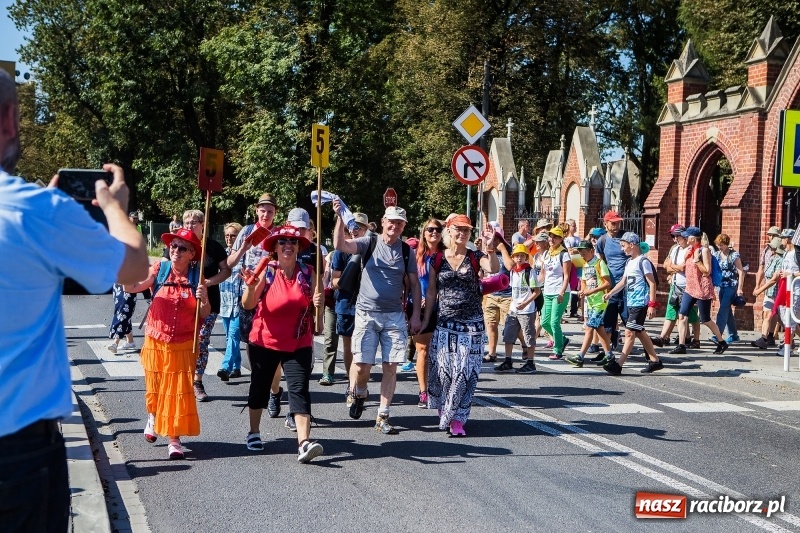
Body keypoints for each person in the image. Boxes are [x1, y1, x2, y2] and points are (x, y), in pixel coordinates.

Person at [0, 69, 149, 531]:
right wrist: (114, 206)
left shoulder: (37, 208)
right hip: (17, 448)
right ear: (8, 121)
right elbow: (134, 268)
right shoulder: (38, 211)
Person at [332, 201, 422, 435]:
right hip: (367, 313)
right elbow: (340, 244)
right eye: (391, 221)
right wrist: (341, 218)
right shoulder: (369, 242)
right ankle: (360, 392)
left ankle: (383, 415)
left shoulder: (406, 250)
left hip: (394, 316)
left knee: (391, 366)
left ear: (403, 226)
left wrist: (415, 315)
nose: (395, 226)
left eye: (399, 223)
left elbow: (414, 283)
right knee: (362, 366)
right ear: (383, 222)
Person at [240, 225, 325, 463]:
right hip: (265, 340)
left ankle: (304, 442)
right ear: (275, 248)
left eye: (293, 242)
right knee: (259, 387)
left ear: (299, 247)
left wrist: (317, 302)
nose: (288, 245)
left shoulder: (309, 273)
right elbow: (248, 305)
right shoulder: (266, 270)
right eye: (283, 241)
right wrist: (249, 287)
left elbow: (316, 312)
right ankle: (254, 432)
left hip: (299, 341)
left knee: (299, 390)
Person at [124, 228, 210, 458]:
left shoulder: (196, 276)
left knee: (177, 392)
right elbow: (132, 287)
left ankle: (174, 439)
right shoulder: (159, 270)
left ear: (192, 253)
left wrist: (202, 298)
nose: (176, 251)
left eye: (182, 248)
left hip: (183, 343)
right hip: (156, 339)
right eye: (173, 246)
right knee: (155, 386)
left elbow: (205, 312)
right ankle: (152, 416)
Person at [422, 215, 499, 436]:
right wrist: (426, 319)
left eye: (466, 231)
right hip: (445, 323)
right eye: (458, 229)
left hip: (472, 325)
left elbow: (493, 269)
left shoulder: (475, 256)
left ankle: (458, 418)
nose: (462, 234)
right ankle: (445, 407)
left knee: (466, 372)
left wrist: (491, 248)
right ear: (449, 229)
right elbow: (431, 291)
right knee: (445, 373)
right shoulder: (437, 258)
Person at [226, 193, 280, 413]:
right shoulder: (247, 232)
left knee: (275, 345)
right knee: (252, 342)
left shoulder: (279, 233)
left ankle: (274, 391)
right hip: (249, 293)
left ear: (275, 213)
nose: (266, 214)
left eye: (270, 211)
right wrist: (244, 248)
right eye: (262, 210)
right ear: (256, 210)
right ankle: (259, 380)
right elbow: (230, 263)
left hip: (272, 294)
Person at [182, 209, 231, 401]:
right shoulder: (178, 245)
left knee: (201, 341)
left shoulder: (212, 247)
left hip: (208, 302)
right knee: (183, 342)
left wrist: (210, 282)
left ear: (203, 225)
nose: (190, 225)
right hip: (183, 302)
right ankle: (183, 379)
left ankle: (197, 381)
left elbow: (226, 270)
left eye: (194, 222)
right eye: (187, 222)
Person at [601, 233, 664, 375]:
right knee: (639, 331)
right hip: (631, 302)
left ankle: (618, 365)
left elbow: (652, 283)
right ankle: (655, 360)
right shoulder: (629, 262)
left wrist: (652, 304)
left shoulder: (644, 261)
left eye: (623, 246)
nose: (622, 249)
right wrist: (611, 293)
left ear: (632, 244)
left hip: (640, 302)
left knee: (629, 332)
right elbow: (624, 282)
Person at [329, 212, 372, 397]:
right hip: (346, 304)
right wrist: (349, 278)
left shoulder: (372, 249)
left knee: (362, 348)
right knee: (348, 347)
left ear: (366, 230)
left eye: (359, 227)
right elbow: (334, 281)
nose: (354, 231)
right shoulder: (341, 251)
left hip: (368, 305)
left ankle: (359, 382)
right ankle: (351, 381)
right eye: (351, 227)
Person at [671, 226, 729, 355]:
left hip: (702, 288)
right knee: (682, 315)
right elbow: (685, 268)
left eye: (687, 236)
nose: (685, 237)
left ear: (693, 238)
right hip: (690, 288)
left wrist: (697, 261)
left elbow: (707, 271)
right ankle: (681, 345)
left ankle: (721, 342)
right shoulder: (690, 250)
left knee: (706, 319)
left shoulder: (704, 251)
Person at [407, 218, 446, 405]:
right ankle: (424, 391)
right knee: (422, 350)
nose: (434, 233)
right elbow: (407, 282)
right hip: (418, 307)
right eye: (430, 229)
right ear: (424, 232)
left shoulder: (447, 255)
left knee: (439, 351)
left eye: (438, 230)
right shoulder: (416, 256)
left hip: (443, 307)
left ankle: (439, 386)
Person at [651, 225, 701, 348]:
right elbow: (666, 266)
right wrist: (675, 267)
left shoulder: (691, 249)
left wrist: (673, 267)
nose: (674, 239)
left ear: (684, 236)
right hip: (675, 284)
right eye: (673, 236)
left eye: (676, 236)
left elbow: (683, 267)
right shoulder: (675, 249)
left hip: (689, 287)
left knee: (692, 315)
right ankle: (663, 337)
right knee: (671, 312)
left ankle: (696, 340)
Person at [565, 240, 614, 367]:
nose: (582, 256)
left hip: (600, 301)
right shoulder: (585, 265)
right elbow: (585, 283)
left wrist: (592, 291)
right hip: (591, 302)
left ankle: (580, 356)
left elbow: (608, 283)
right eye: (581, 253)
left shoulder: (600, 263)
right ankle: (609, 355)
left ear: (592, 251)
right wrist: (582, 291)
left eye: (585, 253)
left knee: (589, 327)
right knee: (599, 329)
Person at [498, 244, 540, 374]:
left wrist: (525, 303)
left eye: (522, 256)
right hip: (514, 309)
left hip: (526, 310)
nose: (519, 258)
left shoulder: (530, 272)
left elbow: (536, 291)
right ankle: (508, 360)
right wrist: (513, 303)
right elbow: (513, 291)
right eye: (517, 256)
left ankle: (530, 362)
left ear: (526, 257)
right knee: (508, 335)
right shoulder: (512, 272)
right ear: (513, 257)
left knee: (529, 336)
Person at [595, 211, 628, 351]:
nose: (616, 226)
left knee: (629, 321)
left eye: (618, 223)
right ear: (605, 224)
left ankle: (644, 350)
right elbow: (602, 261)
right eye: (613, 223)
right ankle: (607, 352)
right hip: (611, 287)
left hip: (627, 285)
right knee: (608, 321)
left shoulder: (625, 237)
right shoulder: (602, 240)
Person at [539, 225, 572, 359]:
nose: (552, 239)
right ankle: (562, 339)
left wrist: (562, 292)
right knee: (544, 322)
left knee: (554, 322)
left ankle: (558, 349)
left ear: (560, 239)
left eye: (555, 237)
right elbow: (543, 274)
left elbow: (567, 276)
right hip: (547, 291)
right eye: (551, 237)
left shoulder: (564, 254)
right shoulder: (546, 253)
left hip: (559, 291)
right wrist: (533, 286)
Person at [217, 222, 244, 381]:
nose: (229, 238)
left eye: (233, 235)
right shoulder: (222, 254)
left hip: (239, 301)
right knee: (229, 337)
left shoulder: (244, 254)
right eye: (227, 235)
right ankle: (236, 366)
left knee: (234, 334)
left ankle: (226, 366)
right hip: (225, 301)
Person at [713, 234, 745, 343]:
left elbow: (741, 272)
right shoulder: (716, 255)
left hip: (731, 286)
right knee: (727, 310)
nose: (719, 247)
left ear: (726, 244)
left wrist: (740, 288)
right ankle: (734, 335)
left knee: (722, 310)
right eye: (718, 245)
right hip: (720, 286)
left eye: (721, 245)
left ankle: (718, 334)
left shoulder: (734, 255)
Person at [752, 243, 785, 349]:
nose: (771, 248)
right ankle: (764, 338)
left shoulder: (781, 260)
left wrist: (760, 289)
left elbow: (774, 279)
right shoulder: (771, 258)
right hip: (769, 293)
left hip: (777, 293)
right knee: (768, 315)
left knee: (784, 320)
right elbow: (764, 272)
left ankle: (787, 339)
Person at [107, 282, 137, 353]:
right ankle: (130, 341)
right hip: (117, 286)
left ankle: (115, 343)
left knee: (122, 315)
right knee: (124, 315)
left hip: (129, 285)